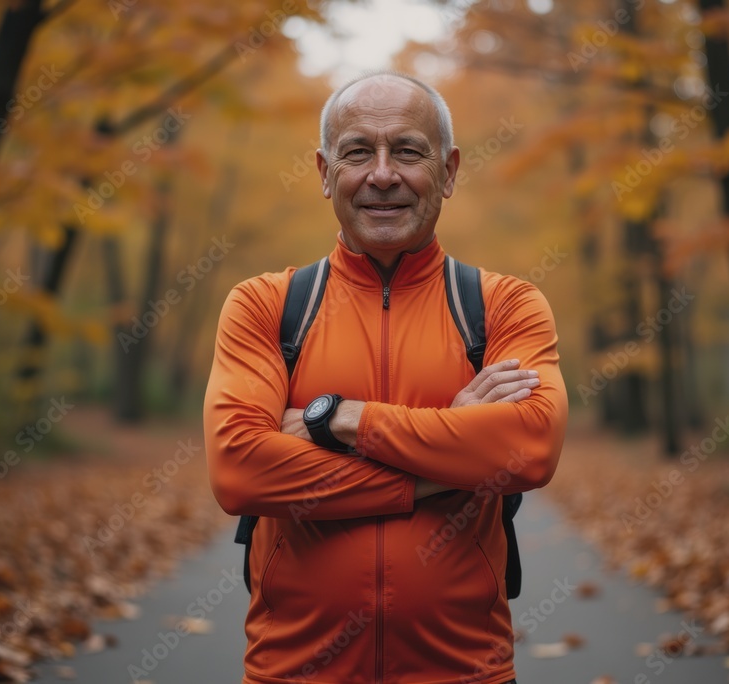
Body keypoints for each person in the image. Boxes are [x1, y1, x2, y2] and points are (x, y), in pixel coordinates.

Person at [203, 71, 568, 684]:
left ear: (448, 172)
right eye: (356, 152)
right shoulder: (265, 304)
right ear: (324, 173)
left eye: (407, 150)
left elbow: (528, 450)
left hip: (464, 671)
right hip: (293, 670)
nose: (381, 174)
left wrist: (338, 419)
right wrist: (444, 458)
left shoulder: (505, 305)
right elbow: (239, 470)